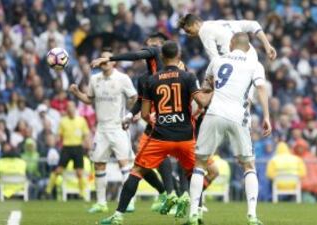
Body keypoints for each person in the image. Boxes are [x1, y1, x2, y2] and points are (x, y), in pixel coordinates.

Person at [101, 41, 212, 225]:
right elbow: (201, 103)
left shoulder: (151, 80)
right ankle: (196, 216)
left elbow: (145, 114)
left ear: (161, 57)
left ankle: (118, 216)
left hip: (160, 136)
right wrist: (212, 91)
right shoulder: (188, 77)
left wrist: (154, 120)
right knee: (195, 174)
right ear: (179, 55)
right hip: (185, 137)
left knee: (136, 171)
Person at [187, 33, 272, 225]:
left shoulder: (217, 60)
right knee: (248, 166)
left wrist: (198, 108)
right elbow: (261, 89)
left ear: (232, 44)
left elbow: (206, 87)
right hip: (238, 118)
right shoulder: (254, 64)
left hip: (214, 113)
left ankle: (193, 214)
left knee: (199, 165)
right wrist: (266, 116)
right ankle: (252, 215)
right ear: (247, 46)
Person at [70, 49, 138, 213]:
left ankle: (129, 202)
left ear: (114, 62)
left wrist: (132, 114)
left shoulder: (123, 78)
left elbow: (134, 97)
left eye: (108, 57)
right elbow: (89, 99)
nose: (104, 60)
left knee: (124, 163)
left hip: (118, 127)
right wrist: (77, 93)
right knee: (99, 164)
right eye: (102, 57)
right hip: (101, 129)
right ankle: (101, 203)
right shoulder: (94, 79)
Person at [178, 13, 276, 60]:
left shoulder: (203, 30)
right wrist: (267, 46)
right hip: (252, 57)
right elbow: (254, 24)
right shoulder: (221, 22)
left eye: (188, 30)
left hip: (237, 62)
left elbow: (214, 59)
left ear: (196, 24)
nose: (188, 34)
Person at [45, 101, 90, 199]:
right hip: (67, 148)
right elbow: (58, 135)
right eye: (68, 107)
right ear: (66, 109)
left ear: (75, 108)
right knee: (58, 170)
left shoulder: (81, 120)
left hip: (78, 147)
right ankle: (48, 191)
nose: (70, 108)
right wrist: (53, 144)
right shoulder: (63, 121)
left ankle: (82, 194)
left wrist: (88, 144)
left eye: (72, 106)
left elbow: (86, 134)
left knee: (79, 172)